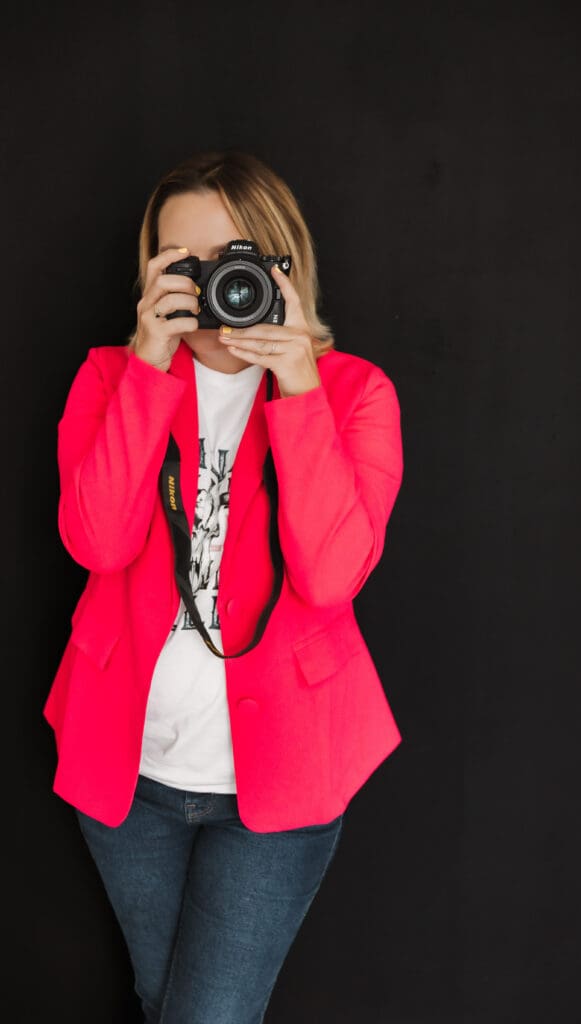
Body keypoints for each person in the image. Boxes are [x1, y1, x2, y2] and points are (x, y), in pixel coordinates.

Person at [42, 148, 404, 1024]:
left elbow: (328, 576)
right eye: (185, 264)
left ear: (280, 263)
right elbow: (98, 541)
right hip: (130, 773)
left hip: (278, 778)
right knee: (165, 999)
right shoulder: (109, 378)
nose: (214, 284)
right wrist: (145, 364)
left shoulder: (352, 392)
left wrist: (298, 385)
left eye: (233, 260)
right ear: (151, 271)